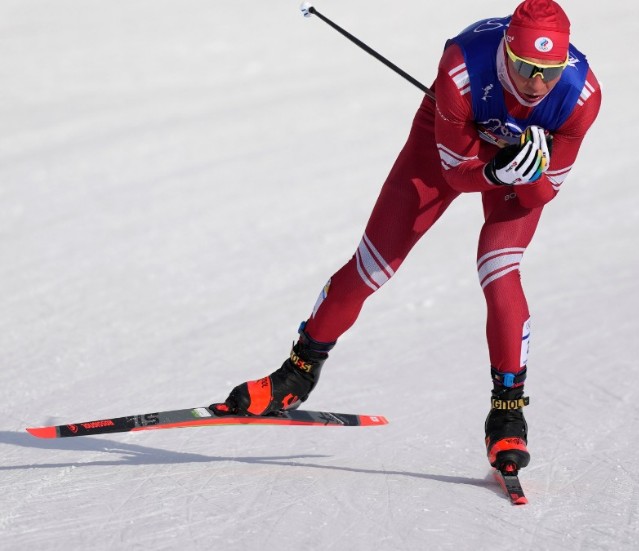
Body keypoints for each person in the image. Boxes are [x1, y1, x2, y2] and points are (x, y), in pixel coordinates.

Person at [213, 0, 602, 473]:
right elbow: (456, 172)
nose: (536, 83)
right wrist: (498, 170)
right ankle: (296, 372)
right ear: (505, 51)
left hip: (515, 162)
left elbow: (544, 193)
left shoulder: (581, 96)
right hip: (452, 142)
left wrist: (530, 173)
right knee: (373, 265)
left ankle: (507, 415)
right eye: (524, 68)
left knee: (499, 267)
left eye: (549, 71)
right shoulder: (462, 65)